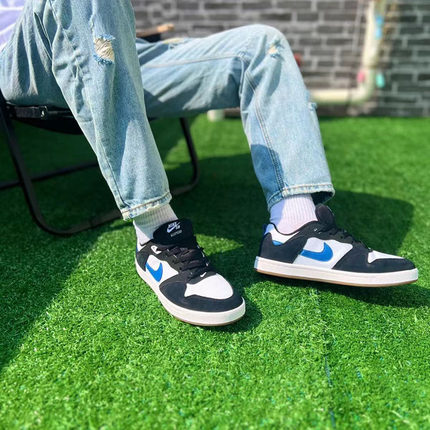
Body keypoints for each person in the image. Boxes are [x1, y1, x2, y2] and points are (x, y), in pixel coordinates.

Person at [0, 0, 418, 327]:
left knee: (262, 44)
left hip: (115, 44)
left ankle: (295, 230)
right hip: (23, 56)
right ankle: (156, 234)